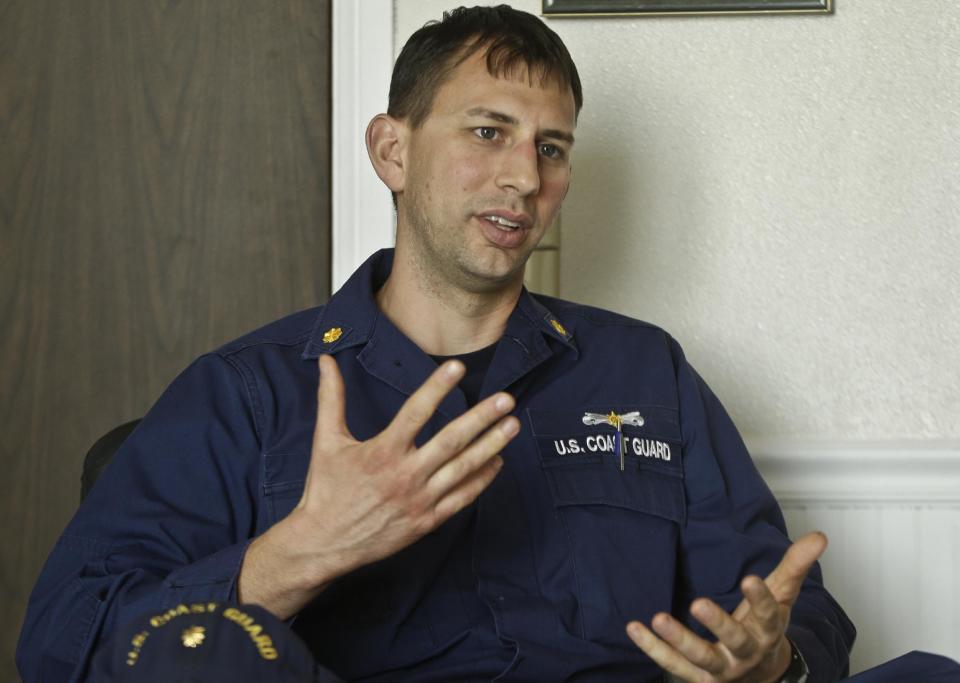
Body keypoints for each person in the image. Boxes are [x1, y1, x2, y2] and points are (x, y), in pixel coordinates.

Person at [17, 5, 854, 682]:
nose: (526, 177)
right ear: (393, 150)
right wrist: (297, 554)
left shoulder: (646, 370)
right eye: (488, 132)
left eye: (551, 148)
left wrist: (772, 660)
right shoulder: (249, 391)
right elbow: (64, 639)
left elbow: (782, 604)